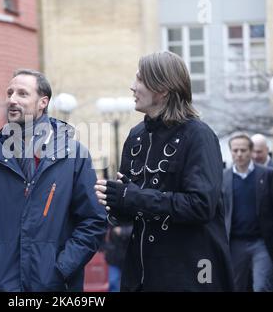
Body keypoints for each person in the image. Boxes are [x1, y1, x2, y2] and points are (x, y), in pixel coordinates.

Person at [95, 51, 234, 291]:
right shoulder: (136, 136)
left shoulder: (198, 136)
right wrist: (116, 201)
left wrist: (132, 196)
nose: (132, 87)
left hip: (190, 274)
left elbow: (201, 205)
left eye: (140, 79)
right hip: (142, 274)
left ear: (163, 89)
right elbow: (134, 210)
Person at [0, 69, 106, 292]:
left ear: (42, 102)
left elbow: (93, 221)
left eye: (22, 93)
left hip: (58, 287)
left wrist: (61, 269)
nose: (12, 99)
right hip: (4, 285)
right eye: (9, 93)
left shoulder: (74, 155)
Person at [223, 133, 273, 292]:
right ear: (231, 152)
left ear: (250, 151)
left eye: (243, 150)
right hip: (234, 243)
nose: (239, 154)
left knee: (261, 286)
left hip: (261, 242)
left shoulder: (269, 175)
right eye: (235, 150)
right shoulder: (223, 178)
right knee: (236, 286)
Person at [103, 224, 132, 292]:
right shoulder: (111, 215)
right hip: (114, 257)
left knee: (129, 284)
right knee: (113, 282)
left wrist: (122, 231)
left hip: (129, 258)